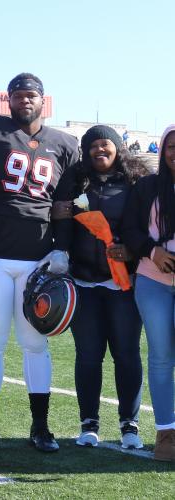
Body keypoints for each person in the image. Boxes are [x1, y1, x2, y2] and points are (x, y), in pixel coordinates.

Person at [0, 72, 79, 453]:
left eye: (32, 95)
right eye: (18, 95)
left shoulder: (63, 143)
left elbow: (70, 202)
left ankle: (40, 427)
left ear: (43, 100)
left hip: (38, 261)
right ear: (8, 100)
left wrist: (63, 248)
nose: (25, 100)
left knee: (34, 344)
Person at [53, 125, 149, 449]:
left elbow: (145, 226)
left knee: (126, 354)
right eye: (92, 146)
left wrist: (132, 251)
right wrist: (62, 253)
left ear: (117, 147)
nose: (99, 150)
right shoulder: (75, 179)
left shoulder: (136, 182)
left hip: (123, 284)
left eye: (104, 144)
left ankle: (129, 425)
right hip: (84, 281)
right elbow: (61, 219)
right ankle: (89, 423)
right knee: (89, 355)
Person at [122, 124, 175, 462]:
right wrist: (153, 251)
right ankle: (167, 434)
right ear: (163, 149)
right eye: (171, 146)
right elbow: (129, 228)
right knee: (160, 357)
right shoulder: (146, 187)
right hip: (153, 279)